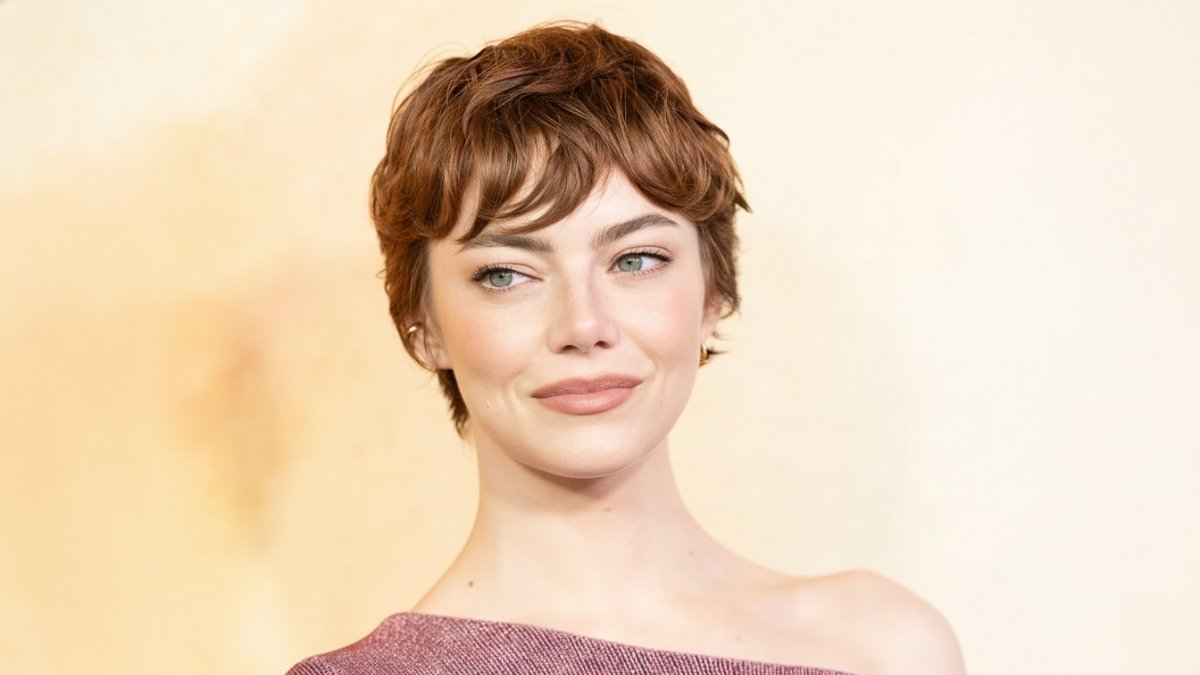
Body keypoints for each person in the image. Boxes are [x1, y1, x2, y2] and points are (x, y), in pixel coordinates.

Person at [288, 22, 965, 675]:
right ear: (422, 325)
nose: (584, 325)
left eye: (636, 259)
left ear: (713, 294)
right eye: (505, 274)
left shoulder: (883, 649)